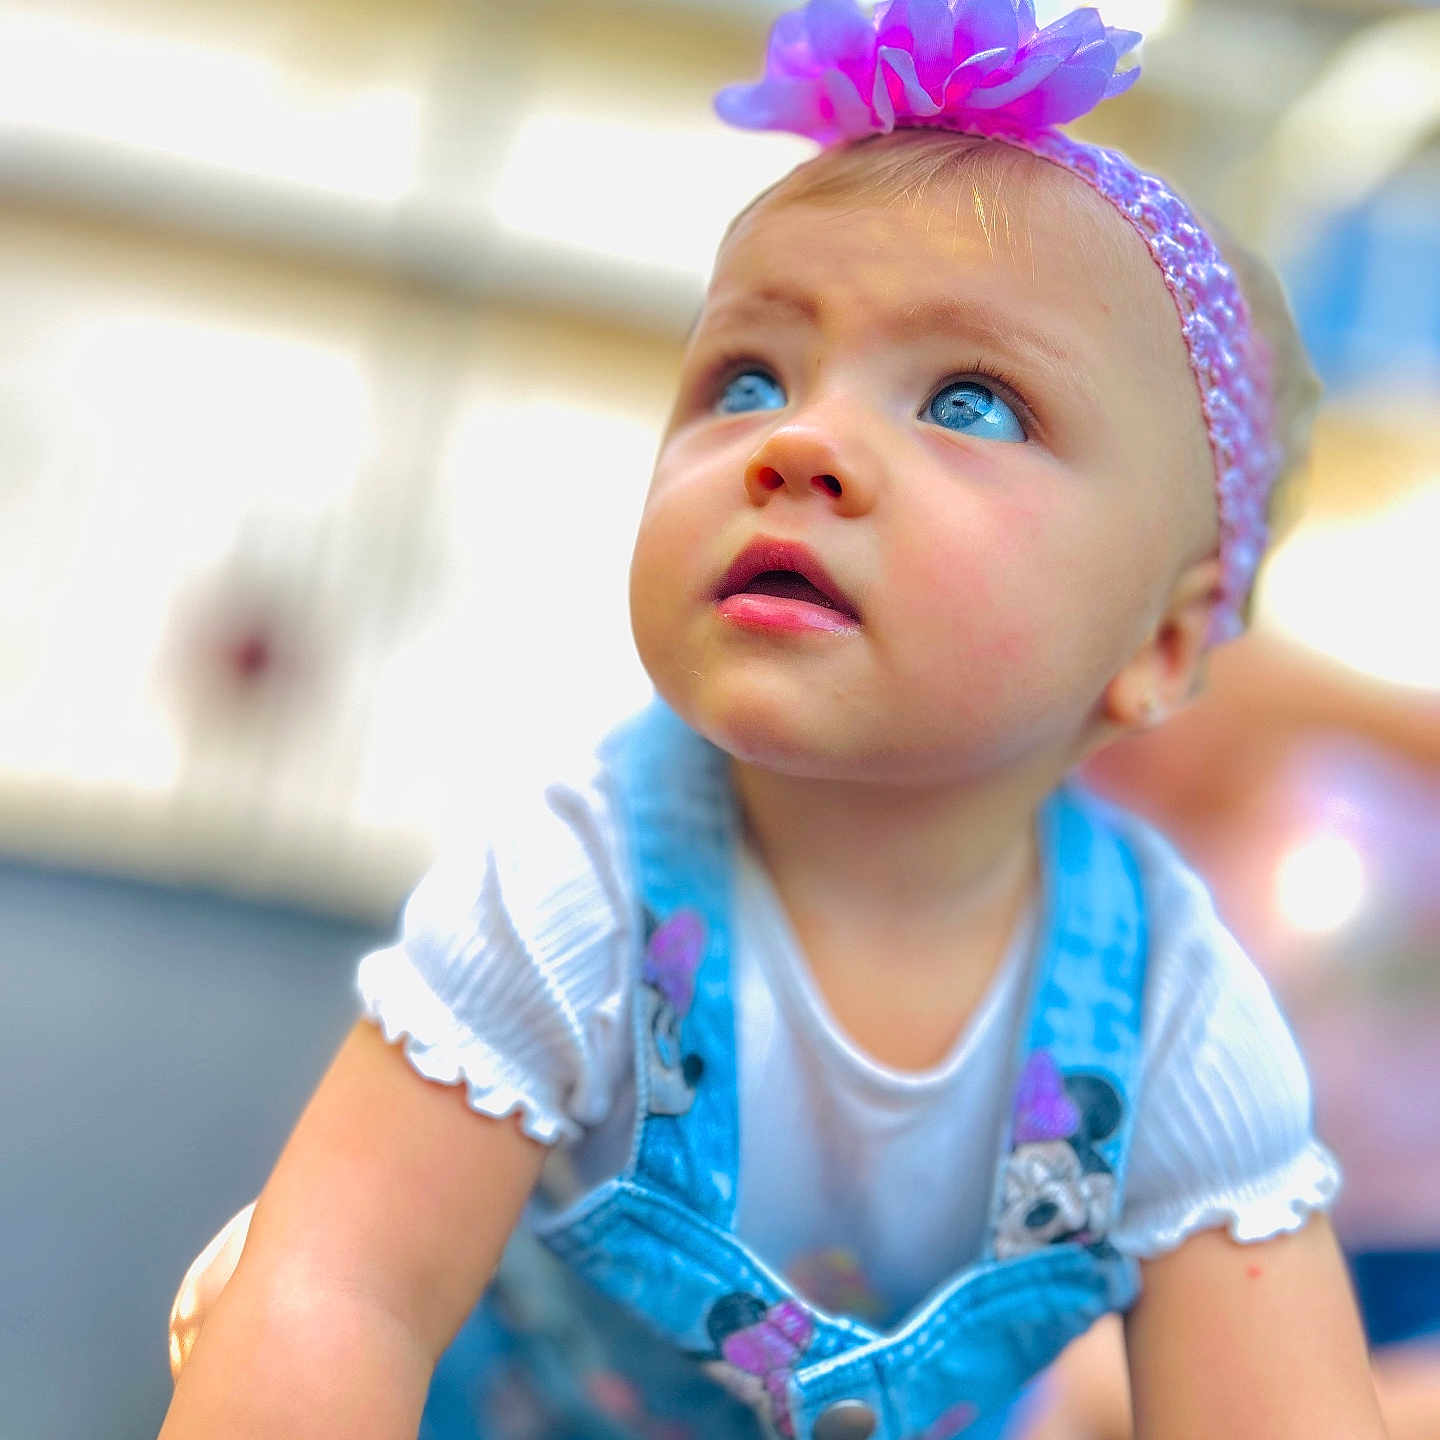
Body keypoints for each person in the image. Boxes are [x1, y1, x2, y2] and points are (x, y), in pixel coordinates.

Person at [158, 3, 1388, 1437]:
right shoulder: (582, 888)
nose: (798, 445)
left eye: (973, 404)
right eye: (747, 380)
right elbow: (340, 1292)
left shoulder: (1172, 1016)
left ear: (1163, 643)